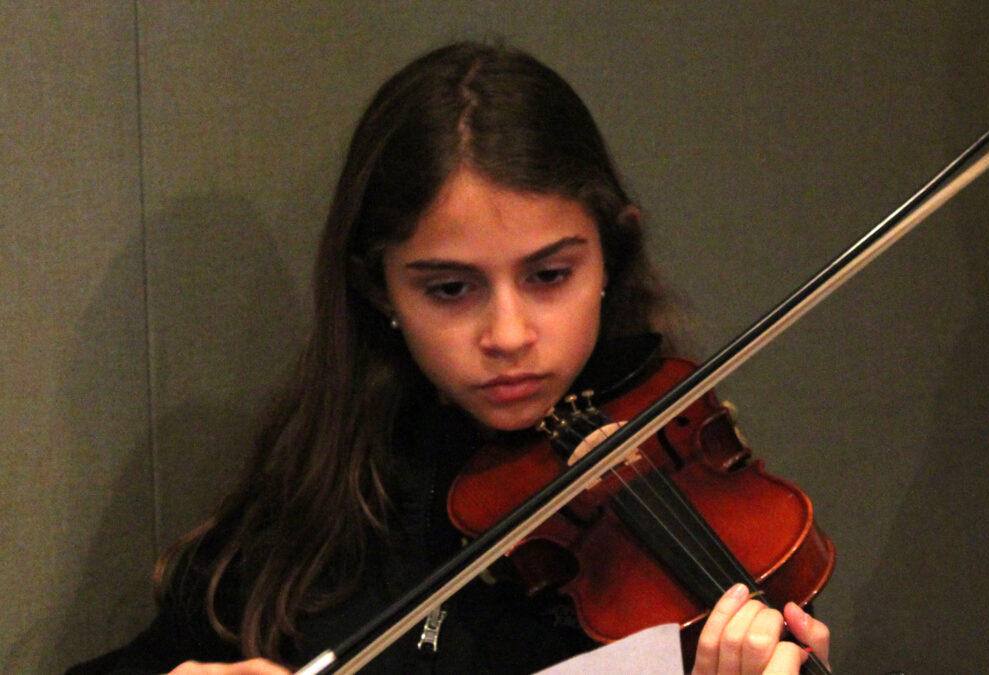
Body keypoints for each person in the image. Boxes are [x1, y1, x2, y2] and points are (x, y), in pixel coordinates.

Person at [68, 41, 831, 675]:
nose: (506, 333)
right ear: (378, 288)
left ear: (612, 255)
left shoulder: (683, 485)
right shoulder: (320, 509)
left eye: (549, 275)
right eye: (451, 288)